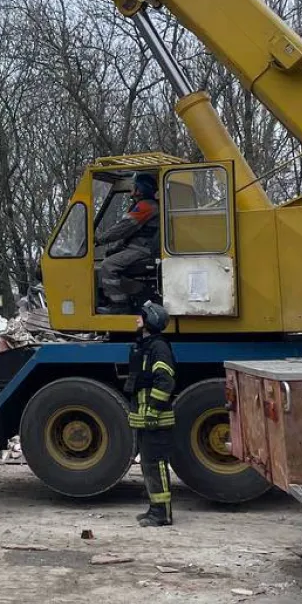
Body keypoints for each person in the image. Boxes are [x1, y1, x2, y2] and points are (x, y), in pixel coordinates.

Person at [125, 300, 175, 527]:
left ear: (150, 321)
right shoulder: (147, 346)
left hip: (155, 417)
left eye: (141, 316)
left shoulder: (159, 348)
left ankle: (162, 513)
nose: (137, 319)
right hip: (146, 417)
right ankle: (154, 509)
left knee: (156, 464)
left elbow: (165, 381)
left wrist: (154, 410)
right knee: (148, 464)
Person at [99, 172, 160, 311]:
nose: (131, 189)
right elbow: (130, 233)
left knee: (108, 265)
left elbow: (123, 227)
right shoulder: (145, 206)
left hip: (142, 250)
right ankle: (136, 293)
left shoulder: (146, 206)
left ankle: (119, 305)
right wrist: (115, 247)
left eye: (134, 186)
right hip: (140, 248)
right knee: (110, 256)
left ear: (141, 189)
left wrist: (99, 239)